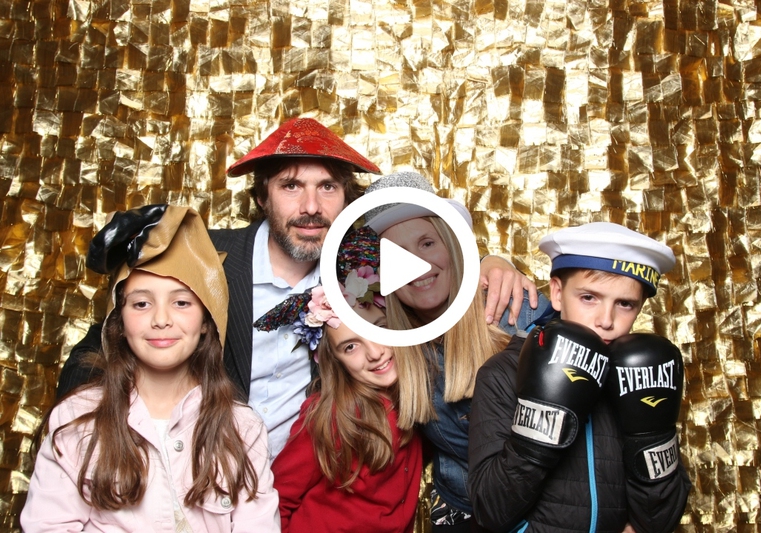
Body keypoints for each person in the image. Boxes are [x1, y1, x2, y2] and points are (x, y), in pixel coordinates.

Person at [56, 117, 536, 457]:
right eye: (290, 186)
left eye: (327, 187)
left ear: (347, 199)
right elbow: (101, 348)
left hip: (296, 487)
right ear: (262, 197)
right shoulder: (204, 257)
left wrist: (492, 263)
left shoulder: (363, 276)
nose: (310, 206)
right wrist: (87, 443)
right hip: (186, 471)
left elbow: (436, 267)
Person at [21, 205, 280, 532]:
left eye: (181, 302)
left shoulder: (242, 428)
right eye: (141, 303)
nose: (161, 319)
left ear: (206, 320)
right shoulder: (76, 419)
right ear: (119, 321)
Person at [361, 172, 557, 533]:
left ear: (452, 245)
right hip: (465, 512)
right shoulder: (381, 342)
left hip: (549, 510)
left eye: (426, 243)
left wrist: (493, 261)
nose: (417, 266)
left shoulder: (514, 310)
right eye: (397, 256)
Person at [468, 222, 692, 533]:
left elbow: (659, 521)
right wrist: (541, 427)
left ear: (640, 307)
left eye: (625, 304)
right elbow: (489, 510)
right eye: (589, 297)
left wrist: (653, 438)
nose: (606, 320)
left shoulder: (643, 374)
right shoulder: (503, 373)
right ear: (558, 294)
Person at [268, 226, 422, 532]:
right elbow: (276, 500)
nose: (375, 353)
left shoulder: (417, 397)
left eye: (379, 329)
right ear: (335, 360)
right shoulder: (329, 417)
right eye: (351, 347)